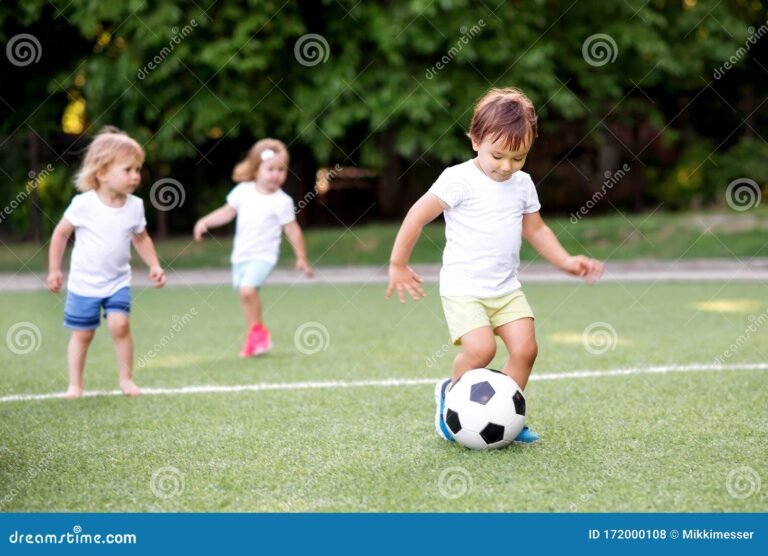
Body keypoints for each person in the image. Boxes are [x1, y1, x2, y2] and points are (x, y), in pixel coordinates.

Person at [386, 87, 604, 444]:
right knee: (481, 350)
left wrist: (566, 261)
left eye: (518, 157)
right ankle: (449, 397)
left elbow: (536, 230)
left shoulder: (523, 184)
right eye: (498, 155)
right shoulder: (458, 179)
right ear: (475, 141)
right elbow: (416, 216)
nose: (506, 166)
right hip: (464, 289)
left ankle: (506, 414)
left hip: (505, 289)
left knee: (526, 349)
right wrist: (398, 263)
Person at [47, 126, 166, 399]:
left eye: (138, 169)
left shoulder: (135, 206)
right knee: (83, 334)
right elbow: (61, 234)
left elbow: (141, 238)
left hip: (117, 281)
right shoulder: (83, 204)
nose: (136, 175)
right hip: (84, 283)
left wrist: (154, 265)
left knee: (119, 325)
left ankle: (126, 379)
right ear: (101, 173)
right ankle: (75, 385)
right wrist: (54, 269)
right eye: (128, 170)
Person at [194, 138, 314, 357]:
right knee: (246, 296)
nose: (276, 174)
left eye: (281, 170)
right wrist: (206, 221)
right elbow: (227, 212)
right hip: (241, 255)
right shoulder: (243, 191)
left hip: (264, 255)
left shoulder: (282, 201)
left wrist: (301, 257)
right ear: (256, 169)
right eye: (270, 169)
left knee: (247, 290)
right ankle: (256, 335)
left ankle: (258, 334)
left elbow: (293, 230)